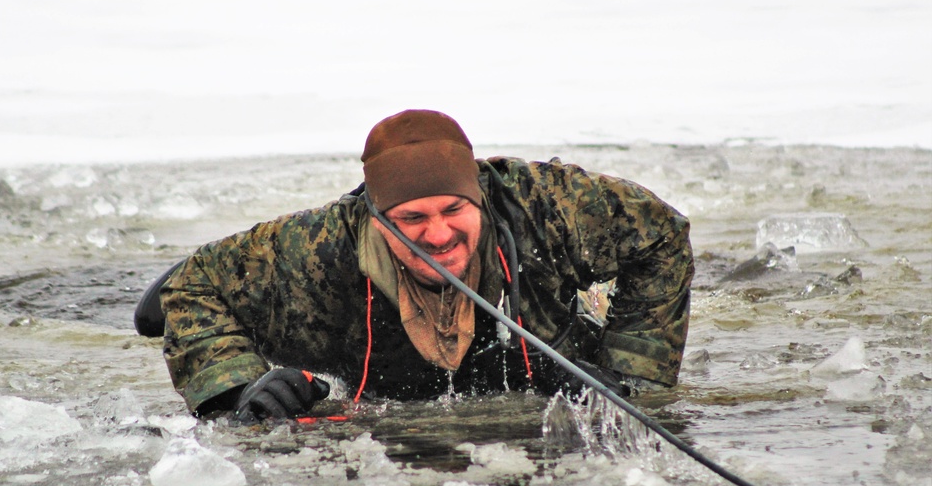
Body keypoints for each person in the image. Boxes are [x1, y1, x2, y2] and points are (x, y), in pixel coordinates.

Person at [159, 110, 694, 423]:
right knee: (164, 309)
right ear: (377, 214)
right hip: (356, 332)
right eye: (412, 217)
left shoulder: (549, 205)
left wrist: (632, 376)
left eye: (453, 210)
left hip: (538, 334)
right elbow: (193, 284)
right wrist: (238, 388)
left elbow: (663, 235)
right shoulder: (319, 243)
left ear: (478, 199)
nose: (437, 236)